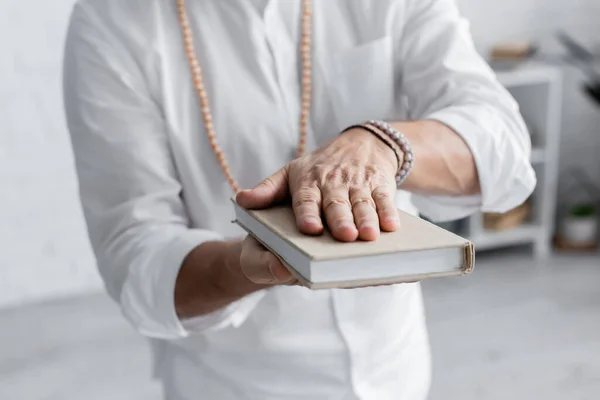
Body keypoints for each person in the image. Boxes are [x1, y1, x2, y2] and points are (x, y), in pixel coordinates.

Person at [63, 0, 536, 399]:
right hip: (235, 383)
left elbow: (504, 147)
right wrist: (250, 266)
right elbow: (134, 253)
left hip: (395, 366)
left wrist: (381, 143)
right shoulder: (114, 21)